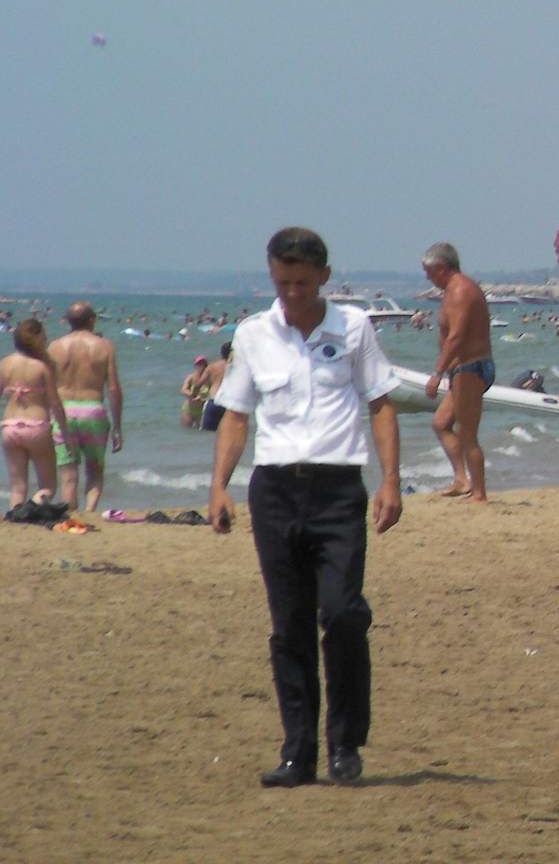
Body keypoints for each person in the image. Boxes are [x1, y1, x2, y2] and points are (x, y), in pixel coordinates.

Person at [207, 227, 402, 788]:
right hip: (274, 490)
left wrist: (391, 481)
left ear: (323, 277)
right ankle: (299, 753)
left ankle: (346, 743)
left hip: (338, 489)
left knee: (342, 614)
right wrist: (219, 486)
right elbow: (237, 415)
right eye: (282, 282)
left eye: (302, 283)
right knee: (288, 625)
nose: (292, 293)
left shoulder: (354, 327)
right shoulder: (253, 334)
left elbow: (381, 404)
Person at [421, 242, 494, 503]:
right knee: (441, 424)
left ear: (442, 267)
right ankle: (462, 480)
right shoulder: (452, 289)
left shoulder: (461, 290)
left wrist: (437, 373)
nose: (428, 278)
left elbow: (457, 336)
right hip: (462, 369)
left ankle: (479, 494)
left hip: (470, 367)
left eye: (429, 272)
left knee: (468, 434)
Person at [0, 319, 70, 508]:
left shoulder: (4, 364)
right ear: (38, 339)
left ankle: (15, 515)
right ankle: (30, 508)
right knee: (48, 486)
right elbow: (55, 404)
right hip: (37, 427)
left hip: (9, 428)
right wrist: (66, 435)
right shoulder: (41, 367)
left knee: (17, 487)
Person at [48, 302, 123, 512]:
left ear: (67, 321)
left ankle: (71, 515)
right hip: (93, 410)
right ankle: (89, 512)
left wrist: (46, 417)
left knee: (68, 474)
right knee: (95, 470)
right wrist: (117, 427)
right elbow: (114, 389)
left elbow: (47, 387)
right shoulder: (105, 346)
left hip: (63, 412)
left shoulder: (54, 347)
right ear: (92, 320)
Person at [200, 342, 233, 432]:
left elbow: (200, 383)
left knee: (207, 433)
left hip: (213, 401)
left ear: (221, 353)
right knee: (227, 433)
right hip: (228, 403)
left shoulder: (212, 366)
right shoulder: (236, 367)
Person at [181, 356, 211, 428]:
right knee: (186, 431)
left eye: (202, 364)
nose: (200, 366)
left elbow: (213, 392)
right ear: (195, 366)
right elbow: (183, 390)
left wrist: (202, 397)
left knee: (201, 432)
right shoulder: (191, 377)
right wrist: (191, 395)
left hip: (202, 411)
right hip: (189, 409)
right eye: (198, 364)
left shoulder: (209, 379)